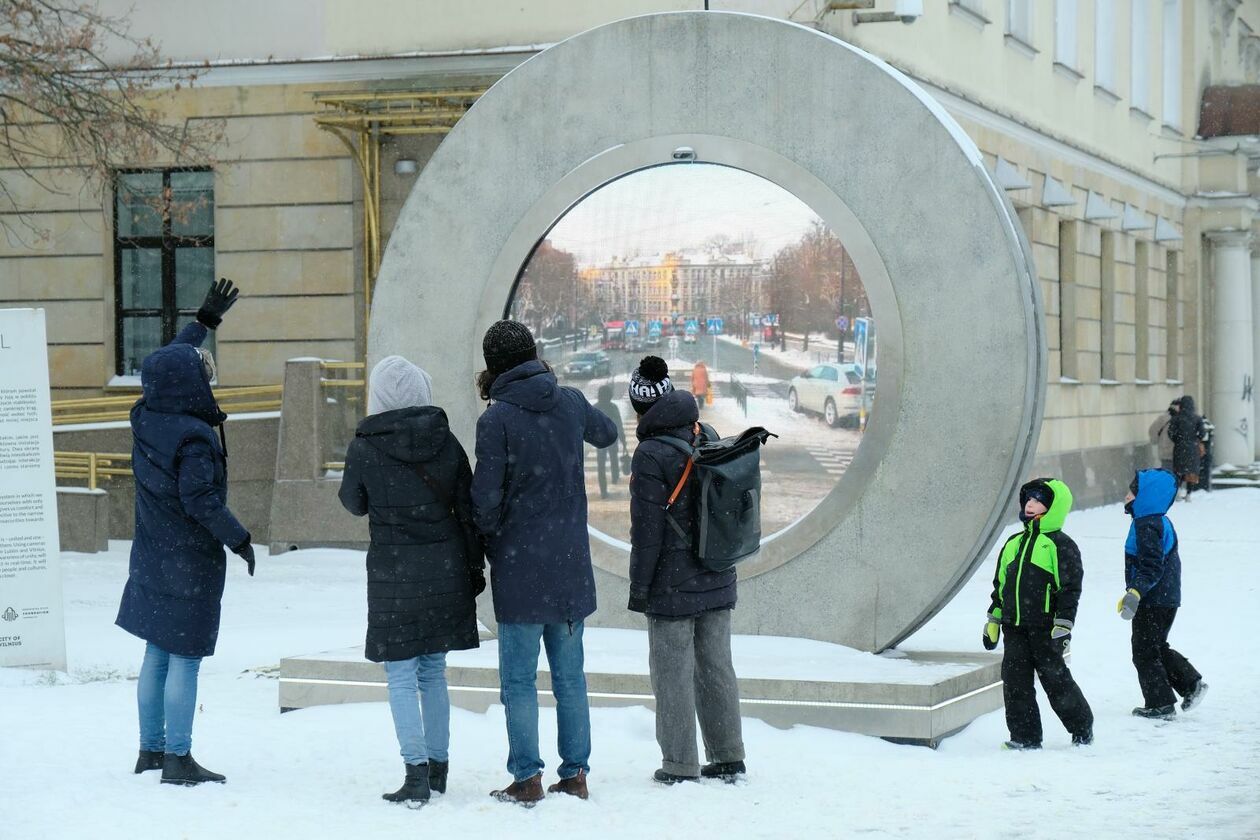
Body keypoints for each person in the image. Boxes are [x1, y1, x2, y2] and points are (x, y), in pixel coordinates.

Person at [470, 320, 617, 805]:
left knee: (518, 680)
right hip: (570, 564)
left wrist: (490, 538)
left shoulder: (496, 420)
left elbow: (485, 503)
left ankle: (527, 777)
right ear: (534, 354)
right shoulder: (570, 401)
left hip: (519, 568)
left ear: (494, 367)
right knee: (570, 677)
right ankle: (575, 774)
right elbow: (608, 432)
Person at [115, 278, 254, 786]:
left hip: (152, 552)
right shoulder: (194, 438)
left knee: (156, 650)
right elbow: (201, 501)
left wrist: (205, 323)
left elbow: (168, 360)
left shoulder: (148, 415)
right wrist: (238, 537)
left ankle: (150, 750)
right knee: (185, 658)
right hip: (188, 559)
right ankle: (178, 758)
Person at [338, 355, 485, 805]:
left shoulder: (365, 446)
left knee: (400, 676)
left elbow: (353, 503)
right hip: (444, 571)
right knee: (433, 672)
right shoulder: (447, 442)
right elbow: (469, 506)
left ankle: (416, 773)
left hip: (394, 577)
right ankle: (439, 767)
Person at [626, 356, 745, 784]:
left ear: (640, 407)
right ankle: (729, 755)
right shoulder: (706, 433)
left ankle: (679, 764)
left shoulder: (650, 455)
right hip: (717, 572)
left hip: (673, 586)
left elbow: (648, 532)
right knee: (716, 667)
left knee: (672, 675)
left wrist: (640, 588)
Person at [983, 478, 1093, 749]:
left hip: (1045, 627)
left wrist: (1064, 622)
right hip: (1014, 626)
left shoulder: (1060, 545)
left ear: (1053, 507)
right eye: (1028, 500)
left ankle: (1081, 726)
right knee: (1015, 682)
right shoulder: (1013, 543)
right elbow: (1001, 585)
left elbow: (1070, 587)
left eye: (1038, 501)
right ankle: (1025, 736)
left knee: (1055, 680)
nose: (1030, 505)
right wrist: (994, 618)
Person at [1117, 469, 1208, 719]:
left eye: (1132, 492)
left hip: (1152, 599)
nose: (1126, 496)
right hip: (1165, 597)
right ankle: (1191, 684)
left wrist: (1135, 591)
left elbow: (1151, 566)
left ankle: (1160, 704)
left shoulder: (1147, 524)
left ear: (1146, 496)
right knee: (1155, 646)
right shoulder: (1156, 520)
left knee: (1144, 651)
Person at [1166, 394, 1205, 500]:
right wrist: (1195, 439)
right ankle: (1188, 494)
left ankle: (1178, 492)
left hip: (1179, 448)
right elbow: (1202, 433)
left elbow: (1170, 432)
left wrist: (1177, 440)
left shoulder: (1176, 418)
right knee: (1191, 472)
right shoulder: (1197, 418)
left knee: (1178, 471)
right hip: (1193, 448)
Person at [592, 383, 627, 498]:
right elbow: (619, 425)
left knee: (601, 465)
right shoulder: (613, 407)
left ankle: (603, 490)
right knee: (614, 457)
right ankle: (615, 476)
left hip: (599, 440)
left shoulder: (595, 407)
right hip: (612, 438)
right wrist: (623, 441)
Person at [1148, 399, 1179, 473]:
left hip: (1165, 454)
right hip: (1178, 455)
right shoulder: (1182, 419)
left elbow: (1152, 431)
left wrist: (1155, 440)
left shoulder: (1162, 418)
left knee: (1167, 477)